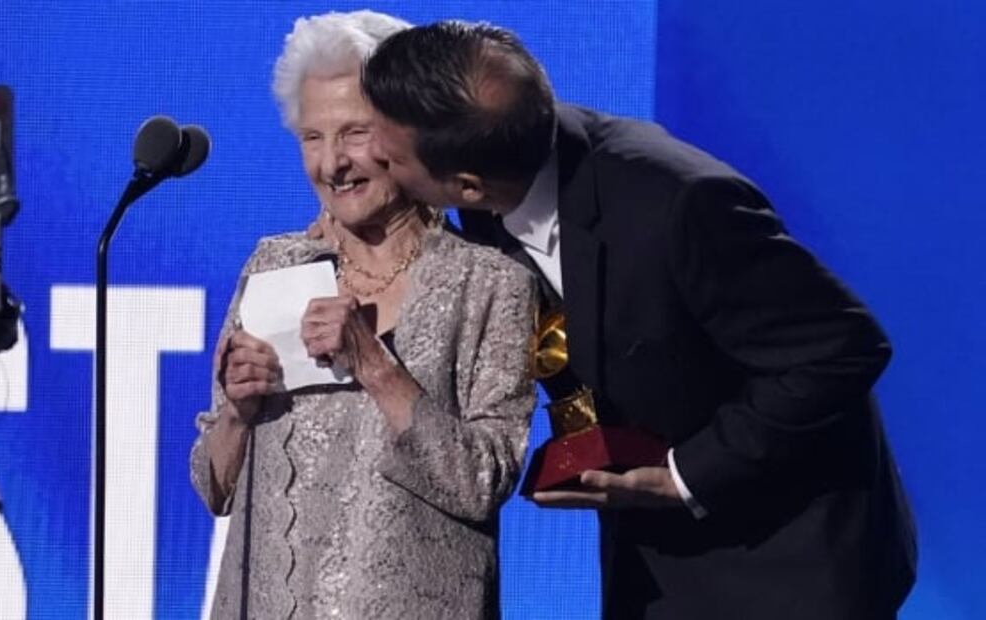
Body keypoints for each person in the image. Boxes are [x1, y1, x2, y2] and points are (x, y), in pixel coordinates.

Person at [354, 20, 918, 620]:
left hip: (787, 556)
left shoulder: (681, 205)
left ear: (468, 187)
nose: (372, 161)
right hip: (652, 551)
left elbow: (841, 347)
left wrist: (684, 477)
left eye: (388, 158)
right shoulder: (494, 174)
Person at [189, 12, 536, 619]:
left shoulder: (489, 284)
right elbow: (213, 486)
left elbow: (484, 482)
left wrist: (375, 367)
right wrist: (238, 417)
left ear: (406, 136)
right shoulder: (274, 264)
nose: (332, 164)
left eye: (353, 133)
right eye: (311, 137)